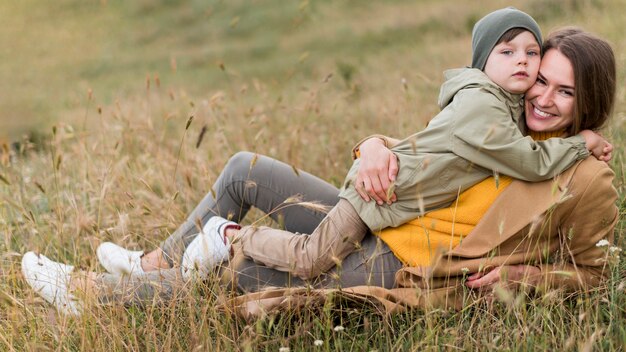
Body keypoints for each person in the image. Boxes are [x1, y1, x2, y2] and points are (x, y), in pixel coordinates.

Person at [21, 25, 618, 316]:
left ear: (589, 100)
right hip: (377, 210)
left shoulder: (583, 174)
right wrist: (371, 145)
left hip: (403, 264)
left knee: (248, 272)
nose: (544, 97)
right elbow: (435, 148)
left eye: (565, 93)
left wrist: (525, 278)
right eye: (541, 77)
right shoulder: (507, 115)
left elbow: (590, 273)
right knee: (243, 170)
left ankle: (94, 296)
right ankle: (153, 262)